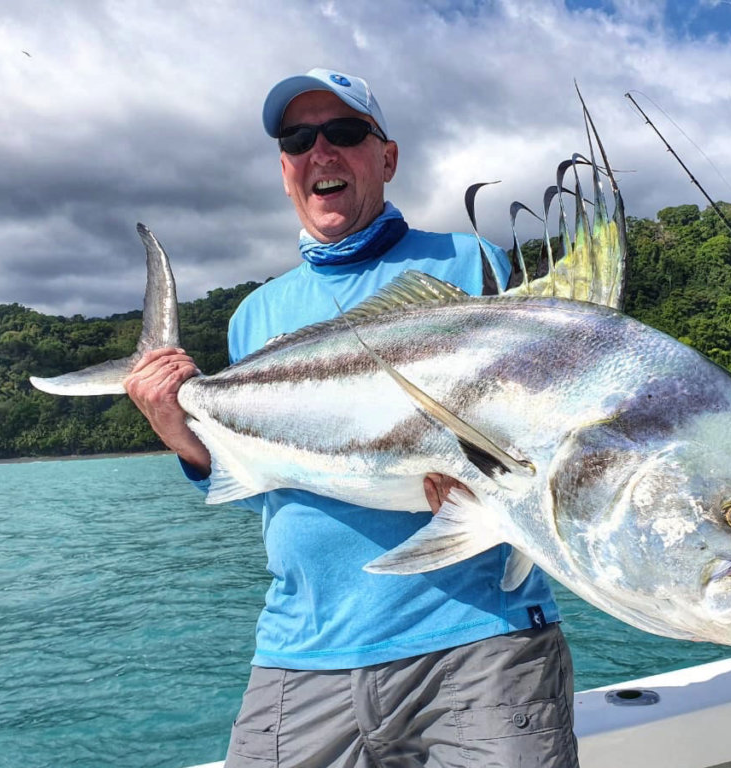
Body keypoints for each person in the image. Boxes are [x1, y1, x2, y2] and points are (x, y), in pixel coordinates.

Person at [124, 68, 579, 768]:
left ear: (386, 157)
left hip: (479, 641)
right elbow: (271, 480)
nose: (321, 152)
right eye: (299, 139)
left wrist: (481, 474)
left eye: (343, 132)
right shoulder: (255, 318)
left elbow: (534, 431)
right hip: (300, 652)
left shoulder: (470, 264)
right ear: (284, 170)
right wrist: (180, 434)